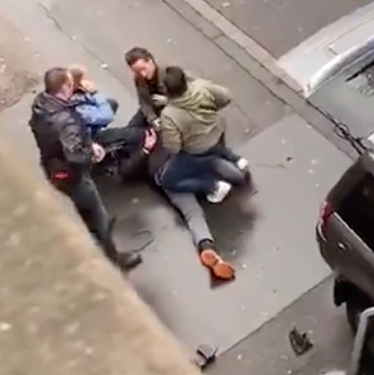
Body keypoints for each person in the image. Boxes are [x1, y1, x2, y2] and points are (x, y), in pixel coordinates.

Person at [29, 67, 142, 272]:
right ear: (64, 87)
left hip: (52, 166)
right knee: (94, 210)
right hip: (71, 174)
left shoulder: (41, 104)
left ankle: (98, 229)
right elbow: (75, 153)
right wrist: (93, 153)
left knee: (85, 207)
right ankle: (113, 256)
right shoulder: (66, 122)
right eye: (70, 84)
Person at [119, 126, 235, 281]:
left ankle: (206, 245)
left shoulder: (143, 140)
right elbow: (127, 171)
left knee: (193, 213)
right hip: (180, 166)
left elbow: (127, 172)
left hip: (173, 173)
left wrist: (146, 150)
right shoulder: (154, 133)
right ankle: (230, 172)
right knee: (219, 170)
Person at [159, 65, 249, 204]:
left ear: (166, 90)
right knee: (214, 145)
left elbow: (173, 148)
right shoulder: (201, 87)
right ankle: (236, 160)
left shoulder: (169, 115)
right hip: (217, 133)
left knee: (167, 181)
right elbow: (226, 96)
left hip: (198, 151)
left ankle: (214, 186)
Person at [68, 65, 144, 155]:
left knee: (111, 103)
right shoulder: (79, 109)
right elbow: (107, 116)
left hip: (89, 124)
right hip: (89, 137)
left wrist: (88, 94)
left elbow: (88, 100)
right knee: (136, 134)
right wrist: (94, 92)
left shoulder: (75, 95)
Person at [124, 46, 173, 128]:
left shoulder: (169, 74)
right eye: (138, 72)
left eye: (144, 69)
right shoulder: (139, 79)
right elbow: (144, 102)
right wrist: (152, 118)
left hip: (173, 109)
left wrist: (167, 101)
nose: (143, 74)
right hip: (153, 108)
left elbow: (188, 98)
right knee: (130, 129)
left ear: (150, 61)